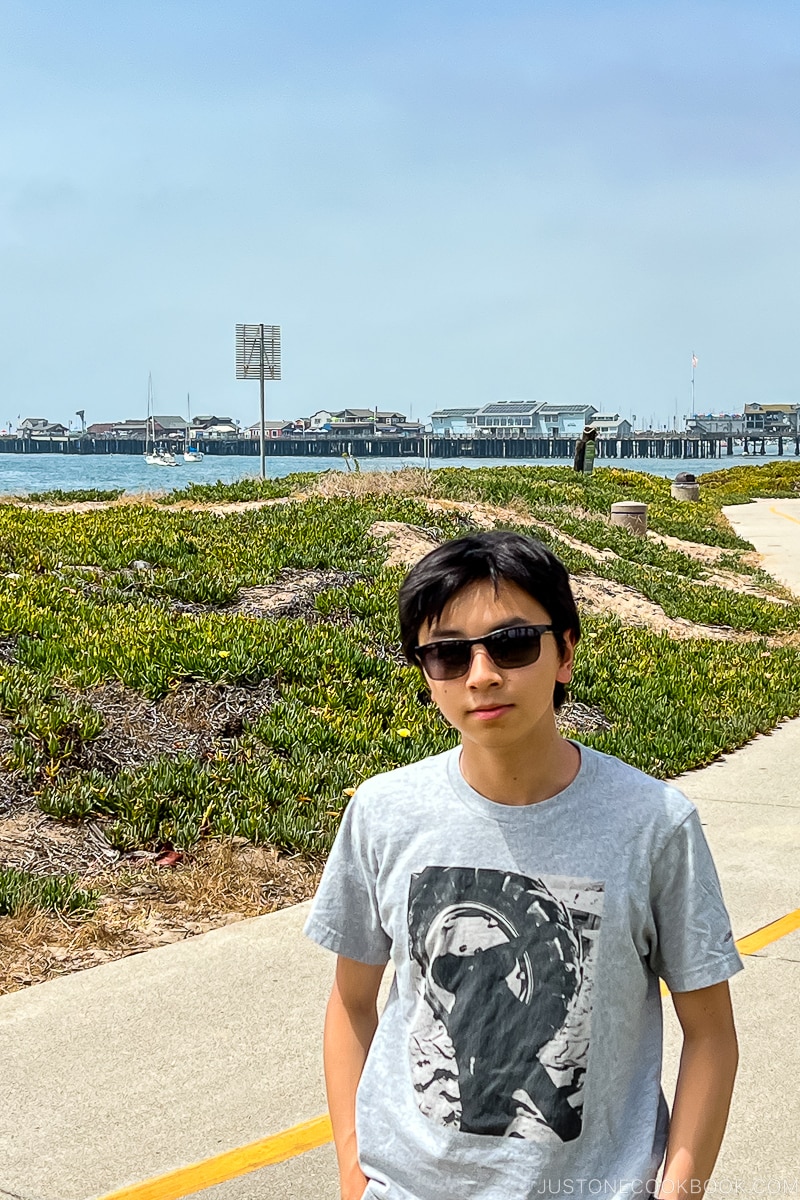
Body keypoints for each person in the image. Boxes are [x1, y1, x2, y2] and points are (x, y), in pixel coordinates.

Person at [303, 531, 741, 1200]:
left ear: (565, 651)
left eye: (511, 644)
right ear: (426, 674)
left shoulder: (654, 823)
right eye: (447, 654)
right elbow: (352, 1001)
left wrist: (681, 1191)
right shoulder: (382, 813)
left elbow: (710, 1034)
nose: (481, 675)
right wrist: (352, 1171)